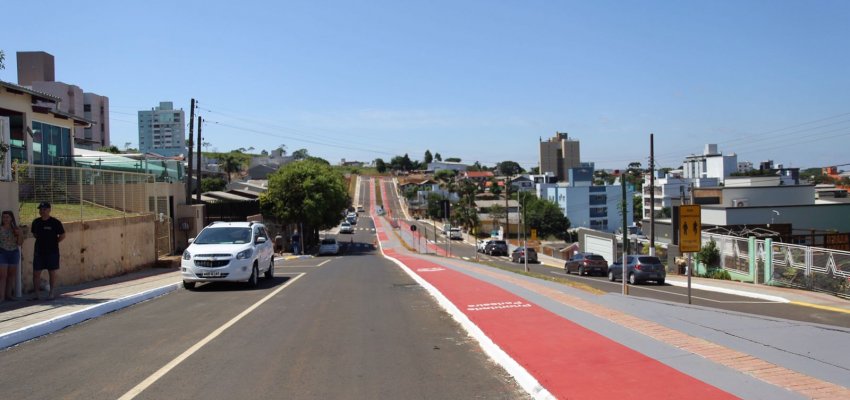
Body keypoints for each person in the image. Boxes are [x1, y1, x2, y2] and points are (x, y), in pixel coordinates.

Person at [31, 202, 65, 300]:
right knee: (36, 272)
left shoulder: (55, 222)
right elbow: (35, 234)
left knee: (52, 272)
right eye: (40, 209)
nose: (42, 211)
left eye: (44, 209)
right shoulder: (36, 222)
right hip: (39, 251)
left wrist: (54, 242)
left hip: (52, 251)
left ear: (49, 210)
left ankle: (51, 292)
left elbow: (62, 235)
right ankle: (36, 294)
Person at [0, 210, 24, 302]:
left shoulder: (16, 229)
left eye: (7, 217)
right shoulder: (0, 229)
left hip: (14, 252)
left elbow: (20, 243)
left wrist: (19, 234)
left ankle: (8, 295)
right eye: (4, 217)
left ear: (11, 218)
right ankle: (1, 297)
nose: (5, 219)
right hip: (2, 253)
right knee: (3, 276)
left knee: (11, 275)